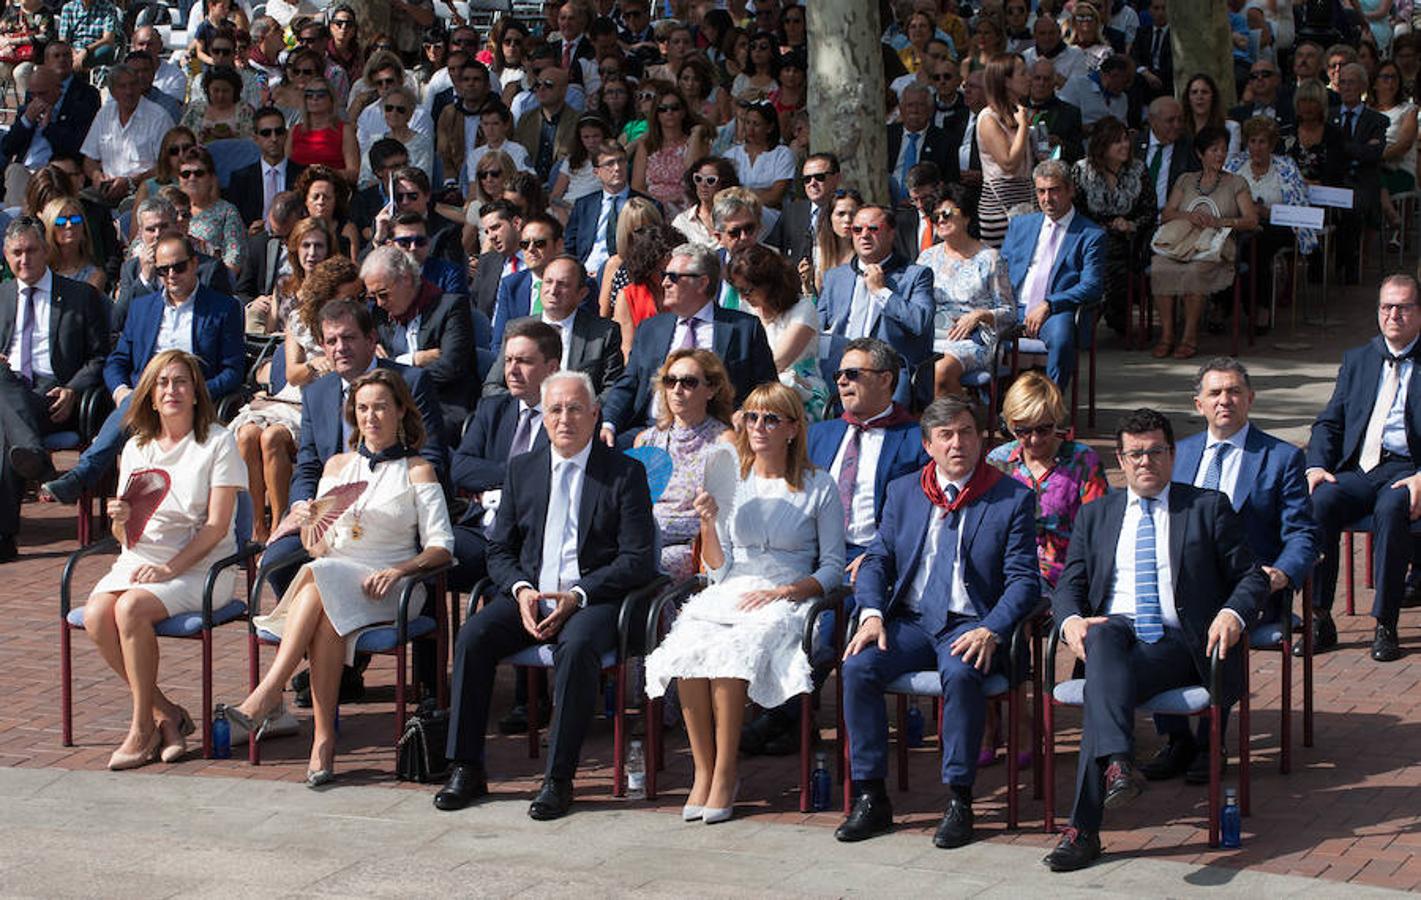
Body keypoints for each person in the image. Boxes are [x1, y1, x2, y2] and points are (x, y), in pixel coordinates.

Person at [1042, 408, 1268, 872]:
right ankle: (1118, 767)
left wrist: (1230, 613)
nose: (1146, 462)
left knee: (1103, 692)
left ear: (1172, 454)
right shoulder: (1097, 514)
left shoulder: (1206, 506)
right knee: (1101, 638)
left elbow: (1251, 577)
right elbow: (1071, 584)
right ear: (1121, 460)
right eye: (1135, 454)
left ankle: (1085, 827)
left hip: (1179, 642)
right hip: (1116, 636)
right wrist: (1068, 622)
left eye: (1156, 452)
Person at [434, 370, 658, 818]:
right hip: (530, 594)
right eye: (555, 409)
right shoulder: (523, 469)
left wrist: (577, 594)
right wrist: (519, 590)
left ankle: (559, 778)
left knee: (575, 650)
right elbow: (499, 549)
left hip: (594, 598)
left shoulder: (625, 473)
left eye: (575, 408)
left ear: (594, 415)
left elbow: (636, 558)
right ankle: (466, 767)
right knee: (474, 636)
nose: (565, 419)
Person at [230, 368, 453, 785]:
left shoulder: (418, 469)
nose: (371, 417)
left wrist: (400, 570)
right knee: (325, 600)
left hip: (390, 583)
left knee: (319, 581)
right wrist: (309, 525)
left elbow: (442, 546)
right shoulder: (336, 467)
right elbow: (320, 547)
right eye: (363, 408)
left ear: (401, 411)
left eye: (381, 407)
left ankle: (271, 693)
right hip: (336, 575)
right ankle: (323, 741)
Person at [834, 394, 1039, 847]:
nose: (957, 443)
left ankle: (959, 799)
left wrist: (993, 628)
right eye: (945, 435)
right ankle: (872, 797)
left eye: (966, 433)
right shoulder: (905, 490)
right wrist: (871, 614)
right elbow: (877, 559)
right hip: (909, 620)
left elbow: (1025, 580)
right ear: (928, 444)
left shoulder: (1011, 498)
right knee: (858, 667)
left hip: (971, 621)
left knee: (961, 672)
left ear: (981, 439)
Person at [645, 382, 844, 824]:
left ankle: (726, 769)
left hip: (788, 593)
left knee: (733, 653)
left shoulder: (818, 484)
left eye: (771, 418)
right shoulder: (736, 480)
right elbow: (718, 567)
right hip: (734, 586)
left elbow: (833, 565)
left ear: (793, 428)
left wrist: (791, 592)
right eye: (751, 416)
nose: (758, 427)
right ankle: (703, 768)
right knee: (688, 647)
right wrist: (709, 525)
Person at [1139, 357, 1319, 781]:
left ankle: (1210, 739)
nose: (1225, 400)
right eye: (1215, 393)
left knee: (1215, 618)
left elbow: (1304, 535)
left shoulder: (1280, 458)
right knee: (1154, 612)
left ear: (1250, 399)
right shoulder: (1177, 454)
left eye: (1234, 391)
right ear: (1198, 403)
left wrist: (1282, 573)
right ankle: (1177, 737)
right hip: (1181, 581)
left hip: (1249, 586)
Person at [80, 350, 244, 769]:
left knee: (131, 607)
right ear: (150, 396)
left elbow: (217, 527)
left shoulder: (217, 442)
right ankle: (165, 713)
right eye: (162, 384)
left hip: (202, 567)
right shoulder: (137, 446)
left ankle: (140, 728)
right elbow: (125, 534)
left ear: (195, 393)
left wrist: (171, 568)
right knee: (99, 613)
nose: (171, 390)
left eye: (181, 382)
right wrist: (119, 520)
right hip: (140, 559)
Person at [43, 233, 244, 506]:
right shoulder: (142, 308)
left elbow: (233, 371)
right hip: (145, 397)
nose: (171, 275)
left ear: (195, 264)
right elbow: (117, 360)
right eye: (163, 270)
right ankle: (84, 479)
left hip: (196, 398)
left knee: (136, 403)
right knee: (133, 401)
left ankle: (82, 476)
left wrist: (195, 392)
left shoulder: (223, 308)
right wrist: (119, 389)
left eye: (179, 266)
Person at [1304, 274, 1421, 663]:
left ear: (1418, 312)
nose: (1394, 315)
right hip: (1360, 467)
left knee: (1391, 509)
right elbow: (1329, 422)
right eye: (1387, 307)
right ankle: (1320, 616)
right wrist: (1316, 466)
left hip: (1409, 469)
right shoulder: (1358, 359)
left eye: (1403, 307)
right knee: (1321, 501)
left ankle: (1385, 624)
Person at [0, 216, 108, 562]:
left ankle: (5, 535)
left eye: (31, 250)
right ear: (5, 255)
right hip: (9, 389)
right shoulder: (1, 296)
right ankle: (32, 455)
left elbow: (100, 357)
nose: (24, 260)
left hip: (55, 397)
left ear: (46, 250)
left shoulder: (79, 296)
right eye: (16, 253)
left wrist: (74, 389)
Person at [231, 254, 355, 543]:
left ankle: (278, 523)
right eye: (346, 296)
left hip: (325, 398)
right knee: (248, 434)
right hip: (294, 393)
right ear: (328, 293)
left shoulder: (353, 323)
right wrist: (315, 365)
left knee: (272, 437)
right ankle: (255, 527)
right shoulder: (300, 319)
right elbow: (292, 372)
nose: (352, 302)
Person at [601, 242, 777, 442]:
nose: (664, 283)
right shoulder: (650, 329)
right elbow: (629, 383)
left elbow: (767, 388)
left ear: (702, 283)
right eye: (664, 275)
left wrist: (745, 412)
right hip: (651, 429)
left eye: (673, 277)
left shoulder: (744, 328)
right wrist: (608, 423)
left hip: (717, 433)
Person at [986, 371, 1109, 589]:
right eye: (1023, 431)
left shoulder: (1083, 462)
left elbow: (1099, 531)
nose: (1034, 440)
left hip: (1065, 579)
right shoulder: (998, 462)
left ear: (1056, 420)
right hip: (1008, 575)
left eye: (1044, 429)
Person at [1149, 125, 1257, 360]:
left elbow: (1251, 220)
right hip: (1181, 242)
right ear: (1200, 153)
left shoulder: (1236, 183)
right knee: (1159, 268)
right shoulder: (1186, 180)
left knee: (1195, 272)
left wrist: (1220, 221)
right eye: (1213, 149)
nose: (1220, 154)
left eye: (1223, 150)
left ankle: (1189, 337)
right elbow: (1167, 213)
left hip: (1214, 245)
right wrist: (1189, 216)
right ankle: (1167, 336)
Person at [998, 159, 1106, 391]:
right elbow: (1001, 269)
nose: (1047, 199)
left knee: (1062, 339)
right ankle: (998, 406)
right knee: (975, 331)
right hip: (1013, 305)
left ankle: (1050, 408)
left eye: (1054, 190)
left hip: (1055, 311)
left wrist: (1049, 303)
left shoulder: (1091, 234)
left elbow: (1092, 285)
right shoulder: (1021, 225)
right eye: (1041, 191)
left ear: (1070, 190)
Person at [633, 349, 734, 580]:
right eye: (670, 381)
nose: (677, 390)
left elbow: (724, 512)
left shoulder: (723, 441)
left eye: (688, 382)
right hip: (642, 539)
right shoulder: (646, 439)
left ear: (711, 389)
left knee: (648, 567)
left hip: (690, 546)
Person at [364, 245, 474, 441]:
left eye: (383, 294)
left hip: (442, 403)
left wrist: (393, 368)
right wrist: (411, 360)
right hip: (391, 405)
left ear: (406, 279)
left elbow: (450, 367)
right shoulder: (380, 315)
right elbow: (373, 367)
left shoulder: (451, 307)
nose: (379, 303)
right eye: (373, 297)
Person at [818, 204, 935, 386]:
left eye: (873, 229)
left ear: (891, 233)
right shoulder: (834, 277)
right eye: (857, 230)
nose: (864, 235)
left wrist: (881, 292)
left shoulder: (916, 275)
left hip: (887, 372)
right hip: (837, 367)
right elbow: (817, 327)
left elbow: (920, 322)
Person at [917, 186, 1013, 399]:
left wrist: (980, 315)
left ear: (967, 217)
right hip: (933, 335)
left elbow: (1009, 312)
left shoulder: (990, 259)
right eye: (936, 216)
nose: (940, 220)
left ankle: (952, 423)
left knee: (940, 370)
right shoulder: (926, 258)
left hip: (974, 339)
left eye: (947, 214)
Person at [484, 256, 623, 400]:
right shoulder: (518, 329)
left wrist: (577, 410)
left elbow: (612, 390)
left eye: (562, 284)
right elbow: (492, 387)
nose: (553, 290)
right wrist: (529, 405)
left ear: (582, 294)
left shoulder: (603, 333)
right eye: (548, 282)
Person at [1223, 116, 1316, 324]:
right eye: (1252, 141)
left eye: (1262, 142)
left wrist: (1268, 213)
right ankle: (1225, 302)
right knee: (1227, 244)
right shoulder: (1235, 165)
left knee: (1257, 245)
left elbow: (1299, 208)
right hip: (1239, 224)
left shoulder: (1286, 167)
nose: (1256, 147)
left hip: (1277, 226)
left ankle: (1260, 306)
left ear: (1272, 144)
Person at [1072, 116, 1156, 336]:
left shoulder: (1138, 169)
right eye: (1117, 141)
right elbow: (1076, 211)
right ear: (1102, 144)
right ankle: (1100, 310)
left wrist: (1130, 224)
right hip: (1091, 235)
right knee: (1101, 252)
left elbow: (1150, 211)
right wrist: (1104, 225)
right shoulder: (1081, 171)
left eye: (1126, 140)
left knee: (1116, 257)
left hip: (1129, 240)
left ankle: (1111, 311)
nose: (1125, 145)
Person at [727, 244, 827, 421]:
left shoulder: (803, 309)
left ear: (769, 284)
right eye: (738, 291)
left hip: (800, 392)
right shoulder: (745, 308)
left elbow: (776, 363)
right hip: (751, 388)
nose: (742, 297)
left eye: (747, 290)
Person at [116, 197, 235, 331]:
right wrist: (144, 279)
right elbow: (118, 321)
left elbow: (225, 319)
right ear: (141, 233)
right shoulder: (131, 269)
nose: (158, 234)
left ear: (177, 227)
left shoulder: (209, 268)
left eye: (163, 226)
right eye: (150, 229)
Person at [1, 62, 100, 208]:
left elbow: (77, 148)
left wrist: (49, 127)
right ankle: (21, 224)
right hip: (26, 173)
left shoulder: (77, 109)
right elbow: (7, 147)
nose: (37, 99)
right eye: (32, 94)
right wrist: (26, 121)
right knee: (15, 171)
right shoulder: (27, 111)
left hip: (57, 174)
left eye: (42, 93)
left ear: (58, 90)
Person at [79, 64, 172, 207]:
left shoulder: (159, 117)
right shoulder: (104, 114)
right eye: (122, 86)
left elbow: (167, 165)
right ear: (112, 91)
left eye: (133, 85)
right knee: (78, 203)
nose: (129, 91)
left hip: (145, 190)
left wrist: (131, 182)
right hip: (108, 189)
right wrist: (97, 176)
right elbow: (89, 158)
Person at [565, 141, 656, 277]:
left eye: (621, 161)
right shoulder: (583, 205)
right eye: (609, 164)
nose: (617, 168)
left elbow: (652, 248)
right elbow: (569, 245)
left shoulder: (646, 205)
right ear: (596, 172)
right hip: (585, 274)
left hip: (626, 275)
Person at [631, 83, 711, 218]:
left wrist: (696, 134)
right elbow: (637, 186)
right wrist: (658, 204)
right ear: (656, 114)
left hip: (686, 208)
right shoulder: (646, 145)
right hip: (653, 210)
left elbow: (694, 173)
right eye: (663, 109)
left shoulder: (695, 143)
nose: (669, 112)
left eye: (675, 108)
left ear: (683, 112)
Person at [490, 214, 568, 347]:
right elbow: (499, 342)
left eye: (539, 243)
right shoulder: (511, 285)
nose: (530, 249)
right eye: (524, 244)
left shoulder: (576, 284)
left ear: (559, 245)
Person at [229, 107, 306, 231]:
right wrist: (247, 234)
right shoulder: (241, 179)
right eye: (266, 133)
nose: (274, 138)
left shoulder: (303, 174)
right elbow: (233, 223)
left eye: (279, 132)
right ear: (255, 138)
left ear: (286, 135)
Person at [178, 145, 246, 277]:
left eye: (199, 173)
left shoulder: (226, 211)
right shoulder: (166, 208)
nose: (192, 178)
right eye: (186, 174)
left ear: (211, 178)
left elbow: (234, 259)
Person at [1371, 60, 1417, 251]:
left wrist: (1374, 155)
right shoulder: (1367, 110)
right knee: (1369, 175)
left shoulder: (1408, 110)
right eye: (1385, 77)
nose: (1390, 82)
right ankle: (1389, 211)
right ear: (1374, 82)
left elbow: (1404, 144)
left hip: (1399, 170)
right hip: (1374, 168)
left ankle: (1390, 215)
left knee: (1370, 174)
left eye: (1394, 77)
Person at [888, 84, 955, 203]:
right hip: (890, 203)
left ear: (930, 110)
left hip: (925, 204)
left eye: (920, 105)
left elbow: (950, 182)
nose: (915, 110)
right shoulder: (887, 136)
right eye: (910, 105)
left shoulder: (944, 140)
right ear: (901, 109)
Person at [287, 76, 359, 184]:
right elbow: (284, 168)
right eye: (309, 95)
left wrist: (325, 173)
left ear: (331, 99)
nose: (314, 98)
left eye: (321, 95)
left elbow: (353, 173)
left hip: (332, 189)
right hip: (298, 189)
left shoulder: (344, 130)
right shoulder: (294, 131)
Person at [1137, 96, 1200, 218]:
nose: (1177, 125)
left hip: (1172, 217)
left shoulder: (1189, 147)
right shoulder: (1134, 145)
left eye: (1180, 120)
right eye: (1170, 120)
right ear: (1152, 120)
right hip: (1136, 218)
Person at [515, 65, 578, 187]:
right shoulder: (526, 119)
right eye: (538, 85)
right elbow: (517, 156)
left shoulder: (577, 121)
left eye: (548, 85)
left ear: (564, 90)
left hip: (564, 188)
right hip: (528, 189)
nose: (541, 89)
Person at [725, 99, 794, 210]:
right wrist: (762, 192)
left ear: (769, 127)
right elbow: (724, 193)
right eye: (747, 123)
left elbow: (774, 197)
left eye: (756, 124)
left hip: (771, 214)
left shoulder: (782, 154)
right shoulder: (731, 155)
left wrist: (739, 192)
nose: (750, 129)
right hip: (736, 211)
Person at [775, 152, 842, 266]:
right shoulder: (792, 211)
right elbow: (774, 248)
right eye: (807, 179)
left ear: (837, 178)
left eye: (819, 177)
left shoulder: (846, 213)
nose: (812, 183)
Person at [1284, 78, 1346, 186]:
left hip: (1326, 195)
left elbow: (1337, 174)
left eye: (1313, 101)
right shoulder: (1284, 134)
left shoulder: (1334, 135)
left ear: (1322, 105)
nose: (1308, 106)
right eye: (1303, 100)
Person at [1024, 58, 1085, 165]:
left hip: (1053, 173)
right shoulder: (1015, 108)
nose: (1041, 83)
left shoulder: (1070, 113)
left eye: (1046, 79)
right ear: (1029, 80)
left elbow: (1078, 153)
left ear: (1054, 83)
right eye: (1037, 78)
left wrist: (1060, 145)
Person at [671, 155, 739, 248]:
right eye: (698, 179)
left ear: (724, 184)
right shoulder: (682, 222)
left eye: (710, 180)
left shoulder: (738, 217)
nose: (703, 184)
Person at [40, 195, 105, 293]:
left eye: (75, 219)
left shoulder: (95, 275)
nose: (69, 225)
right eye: (61, 221)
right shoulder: (41, 271)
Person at [296, 165, 361, 260]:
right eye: (315, 197)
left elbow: (354, 266)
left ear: (335, 200)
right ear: (306, 200)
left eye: (326, 197)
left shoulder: (347, 230)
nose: (321, 202)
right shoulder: (298, 228)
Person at [180, 65, 253, 142]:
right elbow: (181, 135)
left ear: (234, 91)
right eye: (216, 90)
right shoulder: (196, 109)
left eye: (225, 91)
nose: (220, 96)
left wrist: (232, 136)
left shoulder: (245, 111)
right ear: (208, 90)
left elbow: (252, 141)